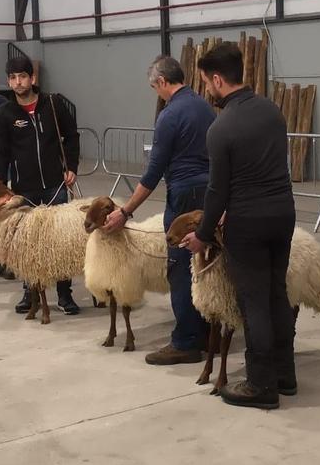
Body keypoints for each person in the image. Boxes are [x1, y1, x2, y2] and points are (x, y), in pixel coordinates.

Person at [179, 42, 296, 409]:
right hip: (284, 214)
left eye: (205, 83)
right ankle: (285, 375)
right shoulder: (272, 111)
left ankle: (261, 386)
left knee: (254, 303)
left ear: (217, 79)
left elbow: (217, 192)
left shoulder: (222, 127)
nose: (206, 91)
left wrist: (201, 234)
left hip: (248, 223)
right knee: (277, 293)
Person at [103, 55, 213, 365]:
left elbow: (153, 173)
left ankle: (187, 341)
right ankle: (209, 333)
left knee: (179, 265)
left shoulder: (170, 115)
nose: (156, 93)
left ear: (163, 82)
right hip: (210, 193)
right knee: (206, 262)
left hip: (183, 195)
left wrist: (125, 211)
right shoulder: (204, 106)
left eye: (155, 87)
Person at [0, 55, 81, 315]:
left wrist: (71, 166)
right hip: (22, 188)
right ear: (9, 81)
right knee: (26, 243)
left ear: (33, 78)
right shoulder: (4, 113)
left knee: (59, 241)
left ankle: (64, 294)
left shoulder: (53, 104)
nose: (18, 82)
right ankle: (30, 292)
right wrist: (1, 188)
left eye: (23, 76)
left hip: (55, 184)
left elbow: (71, 136)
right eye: (13, 78)